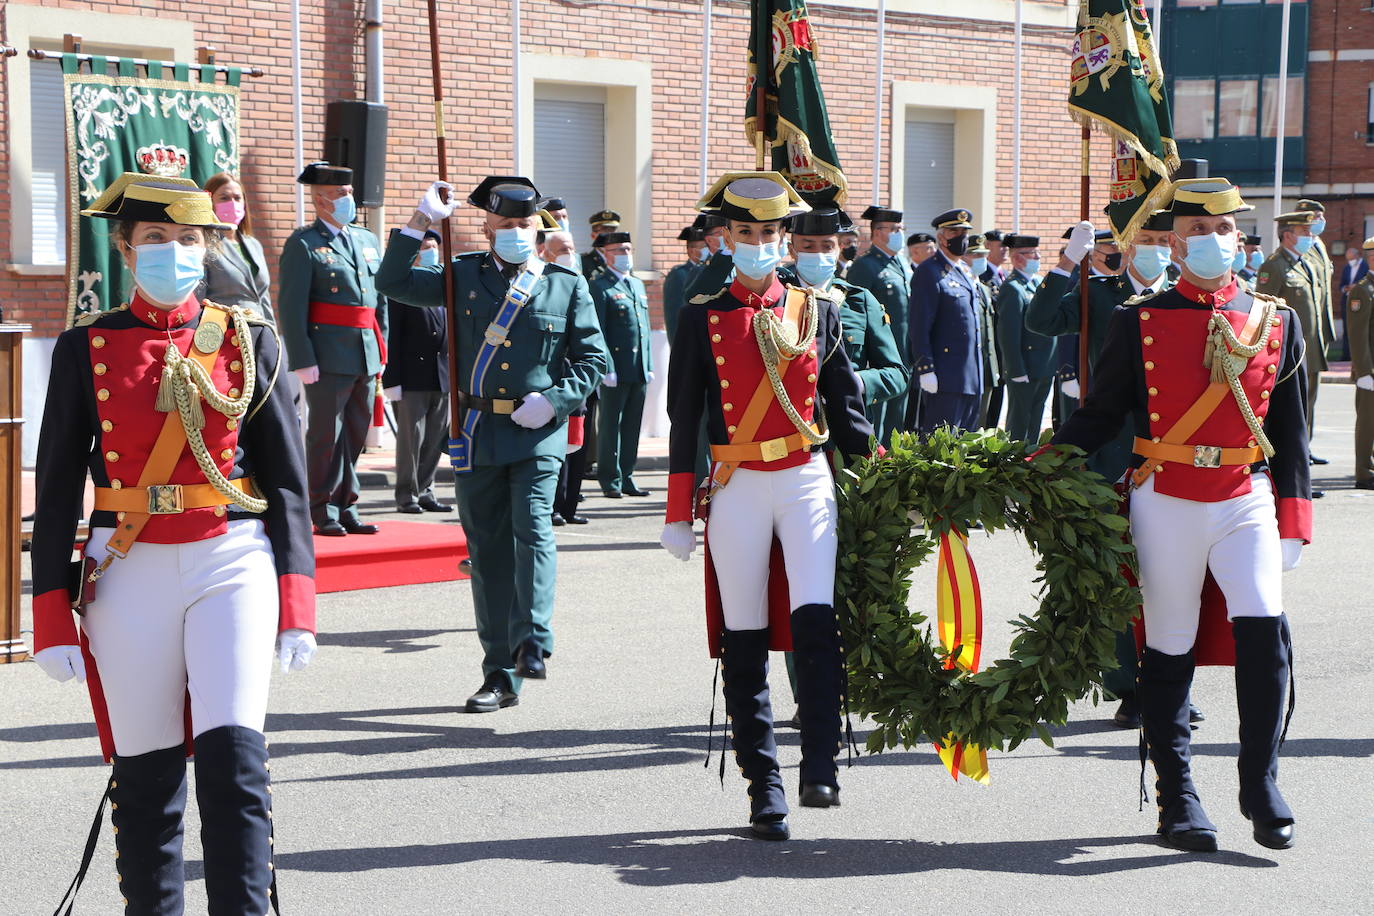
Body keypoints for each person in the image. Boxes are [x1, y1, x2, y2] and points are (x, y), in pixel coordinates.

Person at [31, 173, 316, 913]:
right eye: (156, 240)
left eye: (188, 240)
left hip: (231, 557)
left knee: (236, 767)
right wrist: (51, 611)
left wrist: (298, 599)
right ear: (126, 250)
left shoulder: (250, 340)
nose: (174, 253)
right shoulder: (83, 347)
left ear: (208, 246)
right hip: (128, 570)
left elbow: (286, 480)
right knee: (147, 779)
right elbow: (57, 487)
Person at [1051, 177, 1310, 853]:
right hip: (1165, 494)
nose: (1212, 242)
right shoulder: (1135, 319)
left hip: (1243, 496)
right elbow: (1102, 413)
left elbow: (1291, 430)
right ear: (1173, 240)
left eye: (1223, 230)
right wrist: (1039, 463)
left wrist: (1294, 519)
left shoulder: (1276, 318)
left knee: (1265, 635)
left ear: (1239, 237)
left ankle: (1260, 782)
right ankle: (1178, 797)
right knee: (1167, 647)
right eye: (1197, 231)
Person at [660, 171, 874, 841]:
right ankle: (764, 787)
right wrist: (674, 508)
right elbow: (683, 414)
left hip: (805, 477)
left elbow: (847, 412)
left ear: (786, 238)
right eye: (745, 232)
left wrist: (883, 483)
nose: (758, 243)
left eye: (770, 233)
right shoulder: (702, 316)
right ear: (725, 236)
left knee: (815, 626)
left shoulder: (818, 310)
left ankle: (819, 765)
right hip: (737, 486)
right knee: (744, 639)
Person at [376, 175, 608, 712]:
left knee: (532, 530)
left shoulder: (563, 284)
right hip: (477, 433)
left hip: (537, 433)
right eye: (505, 225)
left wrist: (555, 399)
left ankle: (532, 642)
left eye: (524, 225)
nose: (515, 233)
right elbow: (392, 282)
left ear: (537, 227)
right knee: (487, 554)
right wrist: (420, 223)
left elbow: (593, 360)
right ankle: (499, 673)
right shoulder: (460, 276)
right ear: (486, 226)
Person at [1027, 211, 1186, 728]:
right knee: (1120, 571)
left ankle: (1171, 680)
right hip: (1111, 450)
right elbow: (1043, 321)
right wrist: (1066, 263)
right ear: (1125, 243)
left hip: (1173, 451)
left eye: (1165, 240)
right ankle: (1130, 683)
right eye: (1146, 240)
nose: (1156, 249)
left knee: (1172, 575)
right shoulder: (1100, 293)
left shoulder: (1190, 296)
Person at [278, 162, 388, 536]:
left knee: (356, 432)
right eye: (341, 195)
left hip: (365, 351)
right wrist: (302, 357)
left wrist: (381, 348)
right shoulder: (304, 244)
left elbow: (379, 300)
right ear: (320, 200)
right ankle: (321, 507)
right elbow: (292, 307)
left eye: (349, 193)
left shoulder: (366, 240)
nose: (348, 200)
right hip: (326, 356)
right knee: (326, 434)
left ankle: (346, 504)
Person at [792, 206, 908, 430]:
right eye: (808, 247)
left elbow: (896, 374)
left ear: (839, 249)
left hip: (848, 430)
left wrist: (857, 382)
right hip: (790, 432)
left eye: (827, 246)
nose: (818, 254)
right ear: (792, 249)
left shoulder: (860, 301)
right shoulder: (778, 297)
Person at [383, 229, 453, 514]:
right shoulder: (401, 290)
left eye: (433, 246)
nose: (430, 251)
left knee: (435, 438)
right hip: (411, 376)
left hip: (442, 375)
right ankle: (407, 495)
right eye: (425, 247)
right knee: (411, 439)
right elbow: (393, 338)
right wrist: (392, 380)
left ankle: (426, 490)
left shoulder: (442, 287)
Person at [1255, 211, 1325, 472]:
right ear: (1288, 235)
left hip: (1309, 348)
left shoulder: (1304, 263)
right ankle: (1291, 464)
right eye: (1305, 232)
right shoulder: (1274, 265)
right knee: (1289, 411)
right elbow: (1262, 310)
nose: (1310, 237)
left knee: (1307, 406)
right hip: (1284, 354)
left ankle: (1302, 455)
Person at [910, 208, 984, 433]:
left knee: (964, 447)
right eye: (954, 232)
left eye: (964, 232)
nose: (961, 237)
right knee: (939, 445)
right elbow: (919, 325)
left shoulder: (964, 271)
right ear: (941, 237)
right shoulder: (929, 271)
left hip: (971, 375)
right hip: (945, 376)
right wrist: (925, 368)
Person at [590, 230, 653, 498]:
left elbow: (644, 328)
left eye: (628, 249)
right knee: (610, 426)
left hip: (638, 367)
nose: (625, 255)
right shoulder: (600, 285)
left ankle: (627, 476)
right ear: (606, 254)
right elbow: (598, 330)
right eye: (619, 250)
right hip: (615, 368)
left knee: (632, 425)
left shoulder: (636, 285)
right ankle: (610, 479)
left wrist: (648, 362)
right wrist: (607, 367)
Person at [846, 206, 912, 443]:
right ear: (876, 233)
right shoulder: (865, 266)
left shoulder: (900, 264)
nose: (898, 234)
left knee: (897, 423)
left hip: (901, 356)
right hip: (877, 359)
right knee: (879, 426)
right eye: (893, 229)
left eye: (900, 229)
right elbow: (852, 312)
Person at [992, 233, 1052, 442]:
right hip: (1025, 367)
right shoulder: (1012, 288)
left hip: (1043, 365)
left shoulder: (1036, 282)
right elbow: (1008, 334)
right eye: (1032, 254)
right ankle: (1015, 462)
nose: (1037, 257)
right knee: (1020, 421)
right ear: (1017, 258)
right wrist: (1015, 369)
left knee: (1035, 419)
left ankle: (1030, 460)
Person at [202, 171, 275, 324]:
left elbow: (263, 297)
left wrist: (272, 334)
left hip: (260, 331)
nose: (232, 203)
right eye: (224, 198)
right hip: (225, 333)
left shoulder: (253, 245)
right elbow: (198, 299)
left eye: (237, 198)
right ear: (209, 202)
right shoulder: (204, 245)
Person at [964, 234, 1002, 429]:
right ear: (963, 258)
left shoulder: (985, 289)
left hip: (986, 367)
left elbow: (989, 331)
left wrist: (994, 367)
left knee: (982, 423)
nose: (982, 260)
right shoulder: (960, 288)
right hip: (966, 369)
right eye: (976, 255)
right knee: (964, 425)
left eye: (984, 255)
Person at [1347, 236, 1374, 490]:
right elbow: (1357, 334)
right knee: (1367, 422)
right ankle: (1364, 472)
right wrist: (1364, 371)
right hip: (1371, 369)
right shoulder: (1363, 290)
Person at [664, 223, 709, 341]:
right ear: (691, 250)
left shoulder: (711, 271)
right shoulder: (678, 274)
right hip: (688, 339)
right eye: (704, 247)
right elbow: (673, 314)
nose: (707, 251)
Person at [580, 208, 621, 279]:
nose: (610, 235)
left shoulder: (622, 258)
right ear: (593, 235)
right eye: (605, 231)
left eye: (613, 230)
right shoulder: (584, 262)